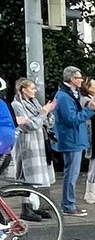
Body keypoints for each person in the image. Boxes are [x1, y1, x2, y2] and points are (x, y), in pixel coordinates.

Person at [53, 66, 95, 215]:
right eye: (79, 78)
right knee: (71, 173)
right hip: (71, 139)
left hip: (74, 138)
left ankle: (69, 203)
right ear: (72, 79)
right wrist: (89, 110)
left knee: (72, 173)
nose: (81, 80)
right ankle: (68, 205)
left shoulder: (70, 93)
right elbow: (72, 119)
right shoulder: (64, 97)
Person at [11, 78, 56, 218]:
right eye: (32, 88)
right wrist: (43, 113)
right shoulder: (17, 105)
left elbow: (45, 123)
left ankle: (35, 206)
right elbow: (28, 125)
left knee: (38, 177)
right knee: (28, 177)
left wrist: (48, 113)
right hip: (27, 144)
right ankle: (27, 207)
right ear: (23, 89)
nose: (35, 90)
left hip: (40, 143)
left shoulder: (34, 102)